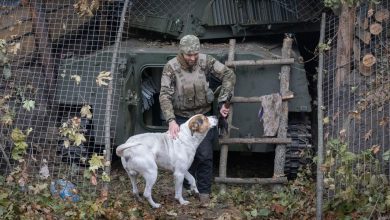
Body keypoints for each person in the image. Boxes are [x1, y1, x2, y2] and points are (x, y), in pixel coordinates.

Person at [159, 34, 236, 205]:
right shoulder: (171, 67)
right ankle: (187, 189)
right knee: (183, 157)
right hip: (181, 118)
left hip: (202, 117)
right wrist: (171, 120)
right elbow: (164, 95)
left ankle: (204, 191)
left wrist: (224, 101)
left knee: (205, 155)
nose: (193, 58)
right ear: (181, 52)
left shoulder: (205, 61)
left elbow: (228, 75)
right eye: (189, 55)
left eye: (195, 54)